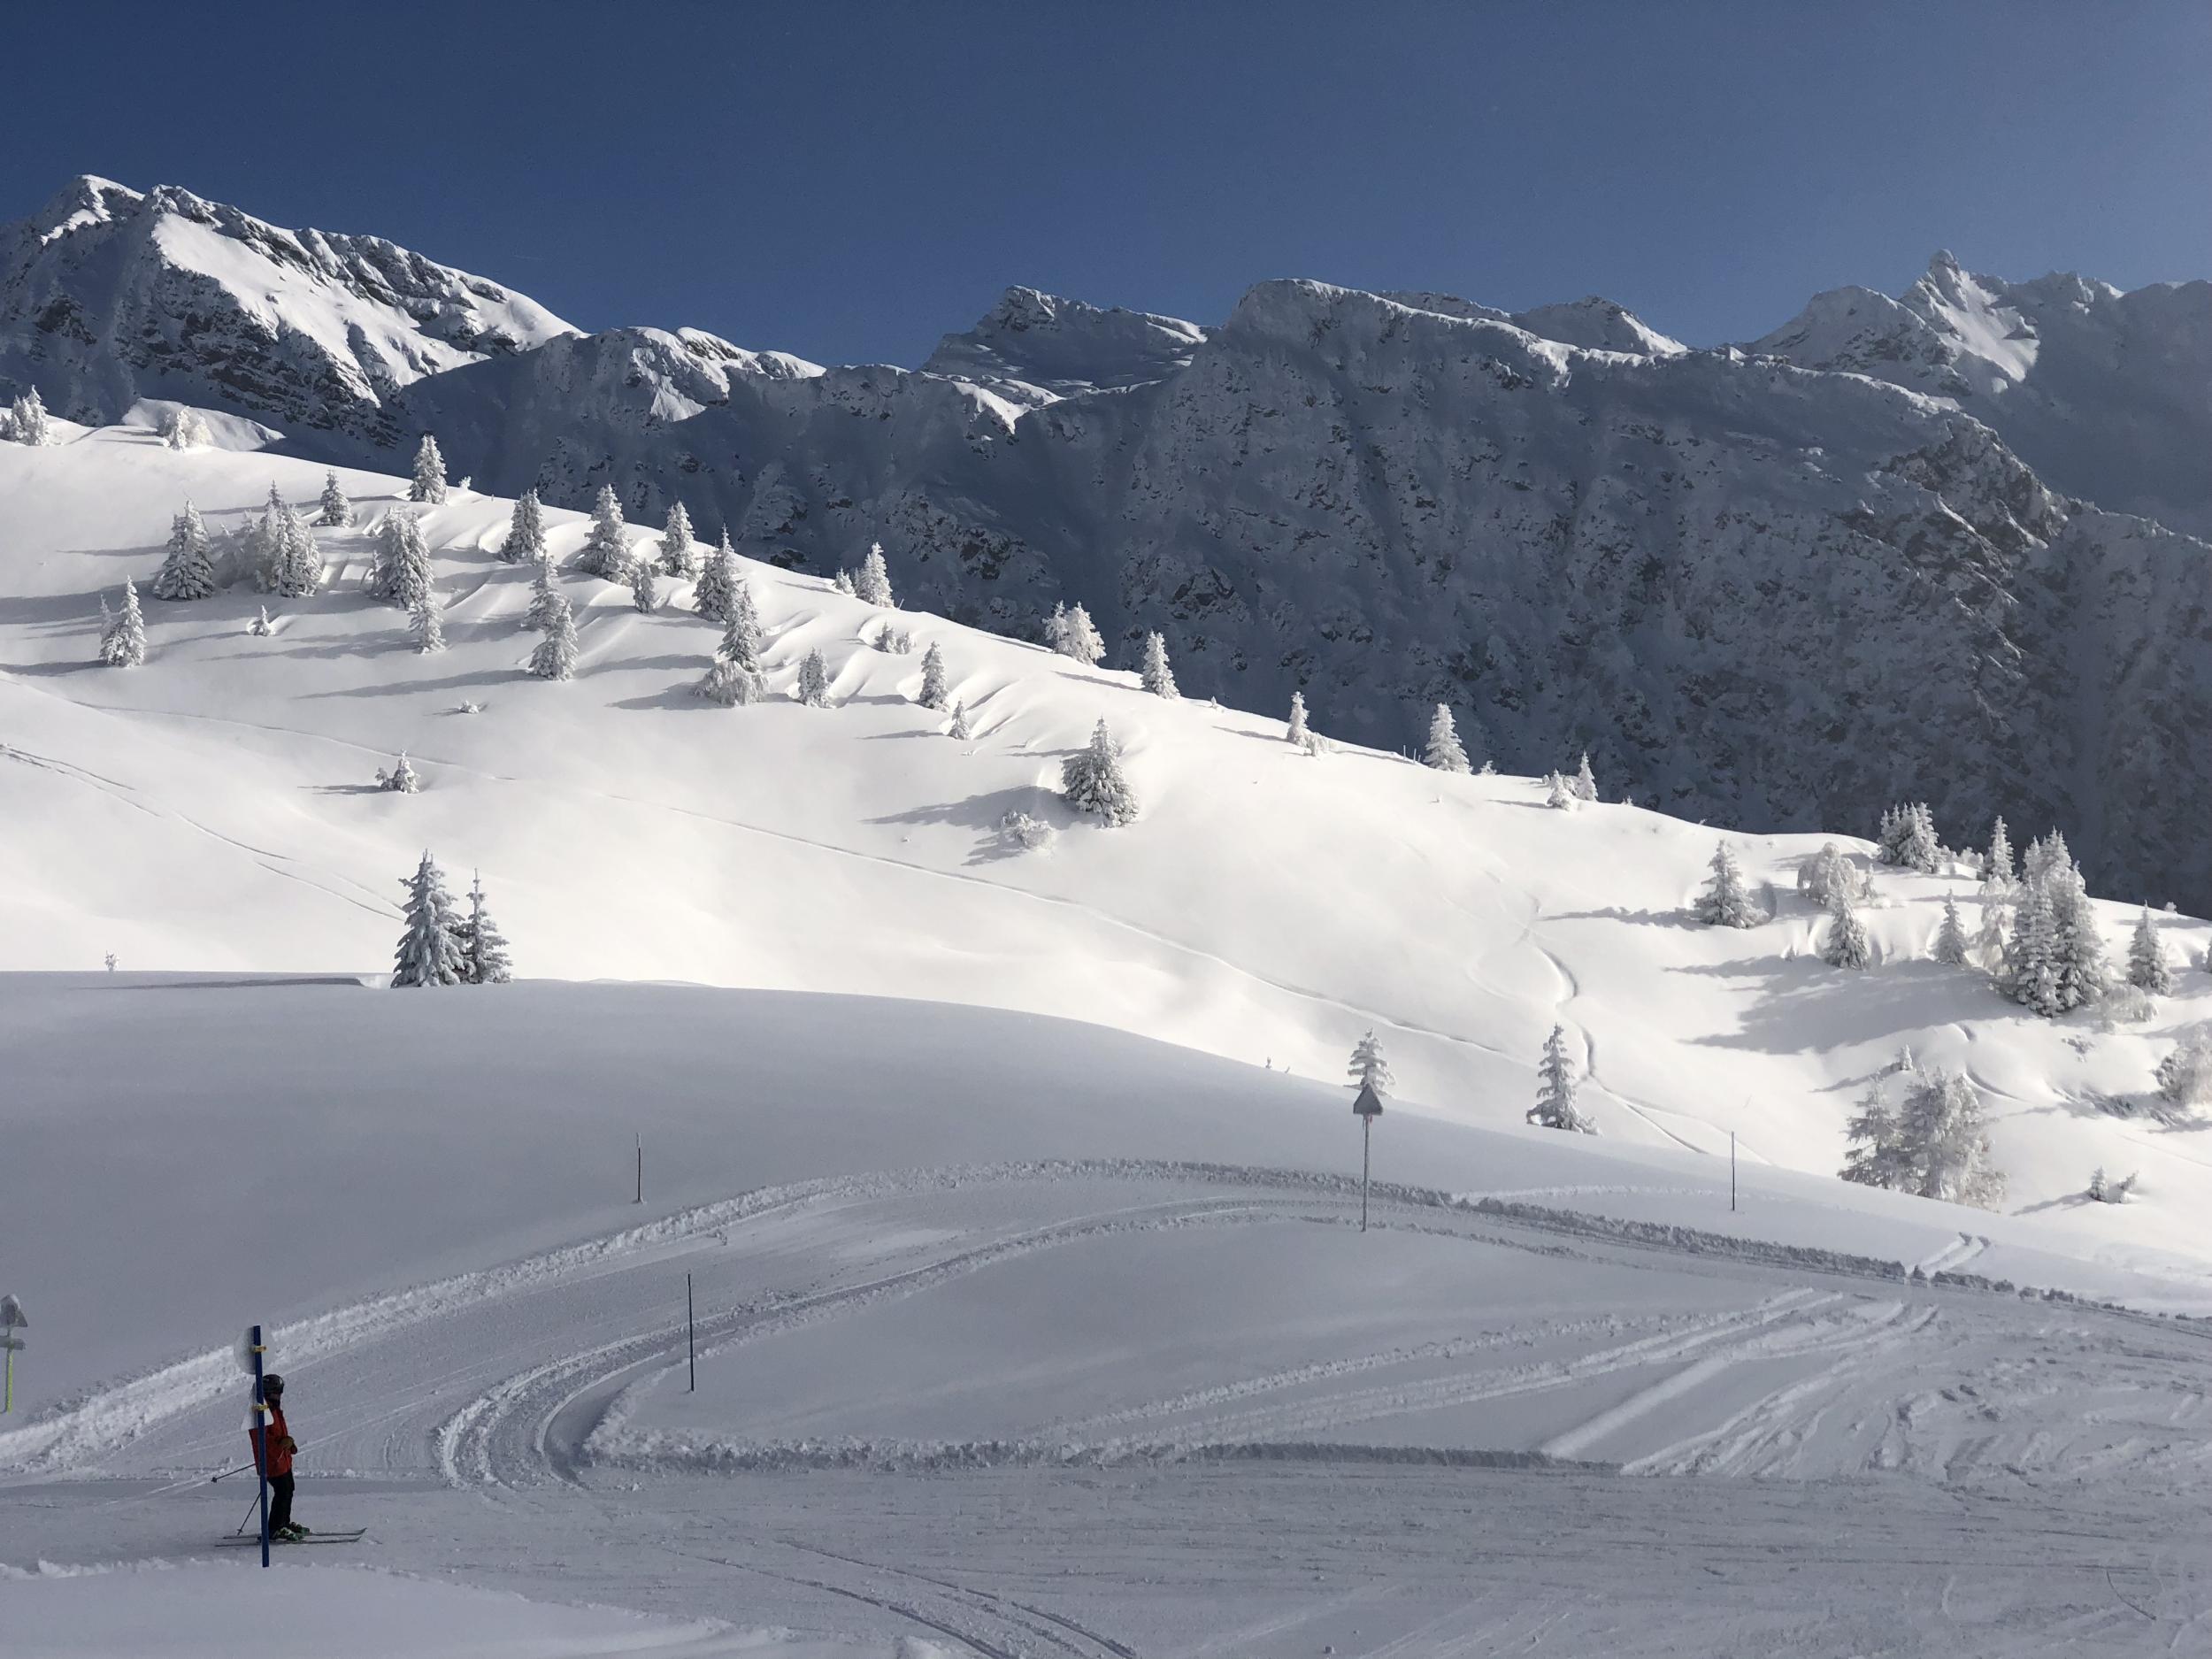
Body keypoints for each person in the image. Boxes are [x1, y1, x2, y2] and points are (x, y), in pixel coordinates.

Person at [251, 1372, 306, 1541]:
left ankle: (283, 1522)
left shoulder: (273, 1409)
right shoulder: (261, 1411)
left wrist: (289, 1445)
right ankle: (275, 1527)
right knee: (282, 1491)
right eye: (276, 1392)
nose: (279, 1396)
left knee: (288, 1489)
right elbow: (261, 1438)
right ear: (267, 1392)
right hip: (272, 1462)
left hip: (282, 1460)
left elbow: (279, 1433)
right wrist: (281, 1445)